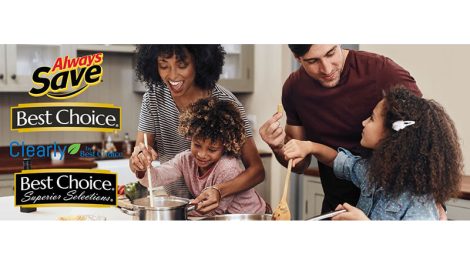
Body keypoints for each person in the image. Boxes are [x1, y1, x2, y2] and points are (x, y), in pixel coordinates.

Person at [259, 44, 422, 213]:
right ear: (297, 58)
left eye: (330, 53)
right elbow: (301, 163)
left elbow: (426, 133)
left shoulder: (383, 72)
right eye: (313, 61)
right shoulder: (294, 89)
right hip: (337, 208)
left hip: (395, 205)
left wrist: (435, 201)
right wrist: (278, 146)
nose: (327, 69)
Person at [283, 87, 463, 220]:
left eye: (371, 118)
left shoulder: (418, 200)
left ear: (391, 134)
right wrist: (310, 147)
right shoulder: (372, 173)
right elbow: (340, 161)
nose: (363, 122)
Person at [130, 45, 265, 214]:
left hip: (221, 212)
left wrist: (219, 190)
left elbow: (257, 171)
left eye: (182, 65)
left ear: (199, 63)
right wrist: (139, 161)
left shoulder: (226, 103)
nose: (172, 75)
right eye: (164, 65)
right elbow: (141, 161)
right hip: (180, 206)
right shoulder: (153, 98)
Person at [138, 98, 267, 216]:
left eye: (212, 149)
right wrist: (143, 169)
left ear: (225, 146)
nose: (201, 154)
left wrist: (173, 212)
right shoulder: (185, 160)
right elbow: (154, 179)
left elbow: (214, 211)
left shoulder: (227, 167)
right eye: (197, 145)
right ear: (190, 137)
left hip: (252, 217)